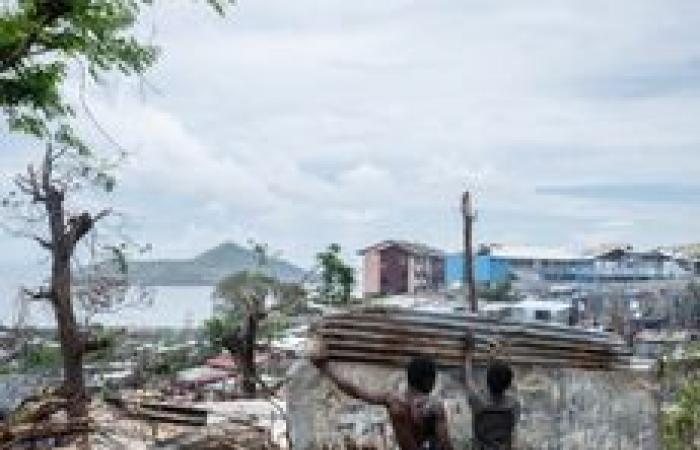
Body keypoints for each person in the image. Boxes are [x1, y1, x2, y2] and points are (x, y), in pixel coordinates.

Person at [310, 340, 454, 450]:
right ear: (429, 380)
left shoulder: (393, 400)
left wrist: (325, 367)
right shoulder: (435, 407)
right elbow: (445, 444)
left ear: (409, 377)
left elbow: (356, 390)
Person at [463, 334, 520, 450]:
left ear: (487, 380)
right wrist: (494, 358)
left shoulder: (478, 402)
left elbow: (468, 378)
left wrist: (468, 353)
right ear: (508, 384)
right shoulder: (514, 405)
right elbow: (505, 380)